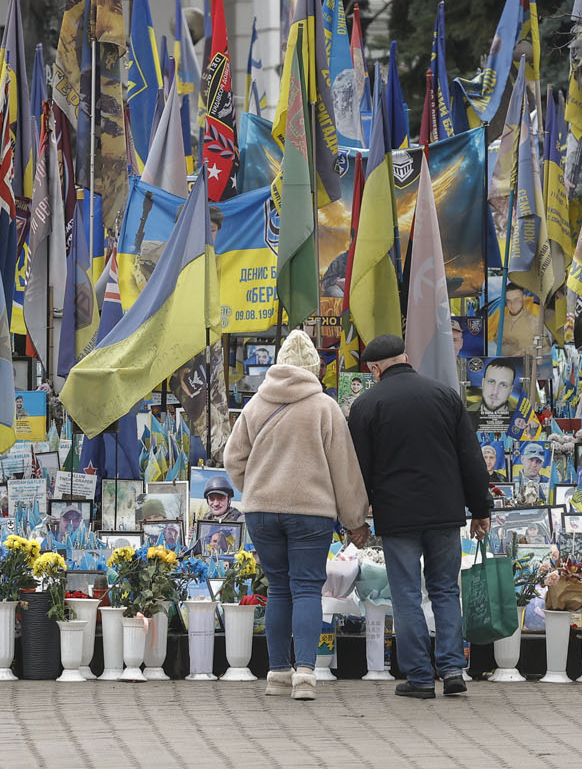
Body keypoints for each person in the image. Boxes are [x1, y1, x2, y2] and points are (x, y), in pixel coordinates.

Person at [225, 329, 370, 702]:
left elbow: (232, 459)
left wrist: (256, 486)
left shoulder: (257, 404)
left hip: (261, 512)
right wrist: (355, 520)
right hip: (311, 513)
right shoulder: (324, 407)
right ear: (313, 368)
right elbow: (345, 470)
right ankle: (305, 673)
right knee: (307, 588)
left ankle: (276, 673)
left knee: (278, 589)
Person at [348, 333, 491, 700]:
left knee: (407, 594)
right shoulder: (445, 396)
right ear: (407, 357)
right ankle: (453, 668)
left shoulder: (366, 405)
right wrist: (480, 510)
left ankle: (420, 677)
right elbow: (470, 457)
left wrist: (355, 519)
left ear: (376, 369)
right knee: (445, 590)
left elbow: (358, 471)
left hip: (398, 517)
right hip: (446, 513)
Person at [498, 283, 540, 358]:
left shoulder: (535, 321)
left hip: (527, 365)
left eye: (516, 300)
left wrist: (525, 352)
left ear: (524, 298)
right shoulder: (502, 321)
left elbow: (545, 347)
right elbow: (496, 340)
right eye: (508, 301)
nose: (512, 304)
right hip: (504, 365)